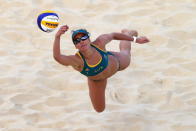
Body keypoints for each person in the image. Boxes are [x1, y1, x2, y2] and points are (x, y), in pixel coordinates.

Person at [53, 25, 149, 113]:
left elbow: (113, 35)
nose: (81, 41)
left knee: (126, 52)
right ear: (75, 46)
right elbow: (58, 57)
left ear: (89, 39)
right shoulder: (78, 61)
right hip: (98, 80)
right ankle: (127, 35)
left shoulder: (99, 42)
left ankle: (127, 33)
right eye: (77, 41)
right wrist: (57, 37)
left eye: (83, 37)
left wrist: (136, 40)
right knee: (99, 109)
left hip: (116, 63)